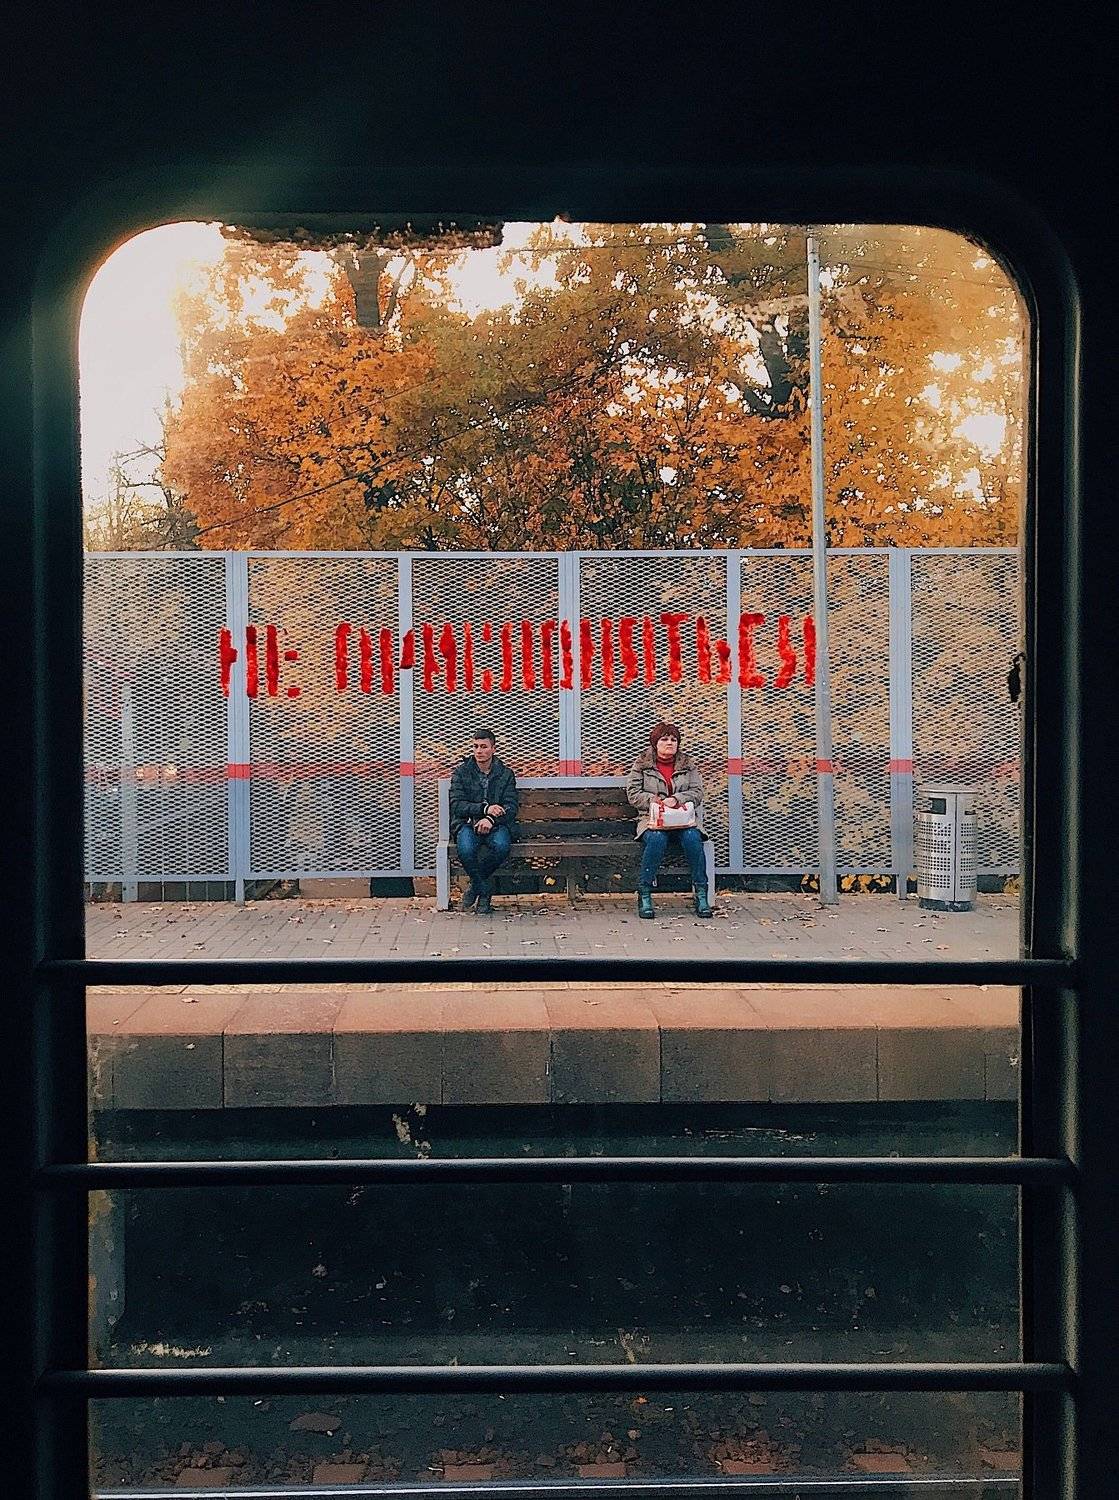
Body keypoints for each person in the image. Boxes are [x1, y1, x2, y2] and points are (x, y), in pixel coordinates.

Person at [626, 720, 713, 919]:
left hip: (683, 819)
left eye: (674, 740)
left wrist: (677, 799)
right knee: (656, 839)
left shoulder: (688, 764)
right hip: (651, 819)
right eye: (664, 739)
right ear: (655, 743)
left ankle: (701, 893)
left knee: (693, 838)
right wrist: (655, 800)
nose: (669, 743)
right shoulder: (642, 764)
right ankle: (645, 893)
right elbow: (633, 793)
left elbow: (697, 792)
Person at [449, 726, 519, 915]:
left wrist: (490, 819)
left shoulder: (505, 774)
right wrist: (484, 809)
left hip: (497, 824)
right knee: (466, 849)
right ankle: (485, 891)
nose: (479, 751)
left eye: (484, 746)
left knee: (501, 846)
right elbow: (457, 805)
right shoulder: (461, 772)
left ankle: (475, 887)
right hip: (467, 823)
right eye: (475, 746)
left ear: (493, 749)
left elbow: (511, 806)